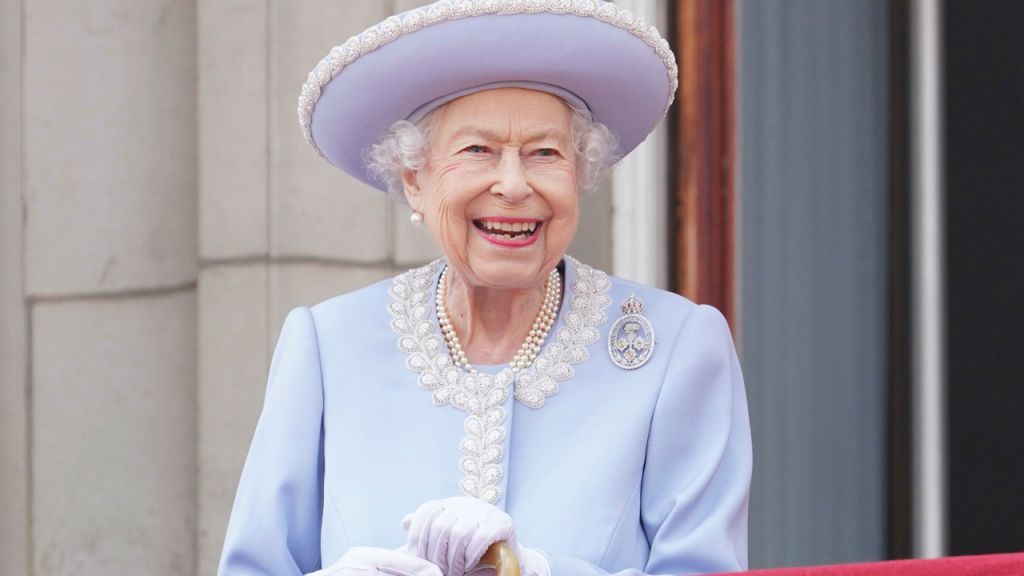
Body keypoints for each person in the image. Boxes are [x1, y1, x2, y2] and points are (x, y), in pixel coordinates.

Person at [218, 2, 751, 575]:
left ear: (579, 175)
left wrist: (539, 570)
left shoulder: (676, 348)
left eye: (545, 153)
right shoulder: (327, 345)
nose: (514, 185)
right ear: (415, 180)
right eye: (478, 151)